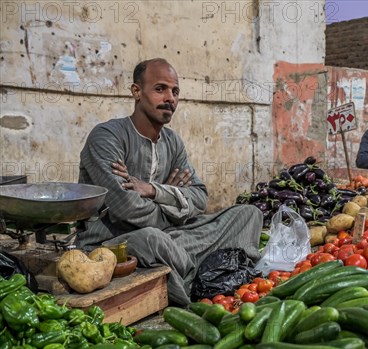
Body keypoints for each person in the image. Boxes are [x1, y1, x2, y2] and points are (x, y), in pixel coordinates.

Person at [76, 58, 263, 306]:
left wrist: (154, 191)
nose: (170, 98)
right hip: (113, 243)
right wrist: (176, 206)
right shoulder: (107, 137)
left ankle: (199, 268)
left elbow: (200, 197)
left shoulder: (172, 142)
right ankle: (202, 276)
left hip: (173, 235)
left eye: (175, 91)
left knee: (248, 214)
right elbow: (126, 208)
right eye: (160, 89)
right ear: (136, 92)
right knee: (152, 239)